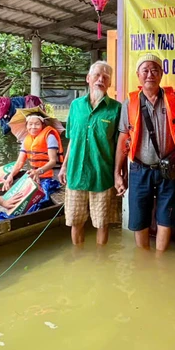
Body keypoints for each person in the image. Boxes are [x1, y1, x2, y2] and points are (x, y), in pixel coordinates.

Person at [114, 53, 175, 251]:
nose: (150, 75)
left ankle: (159, 260)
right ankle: (143, 259)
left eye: (154, 70)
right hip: (139, 168)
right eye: (145, 70)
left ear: (161, 74)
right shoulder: (129, 103)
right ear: (138, 75)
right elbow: (123, 138)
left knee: (166, 216)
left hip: (168, 169)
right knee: (139, 217)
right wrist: (118, 173)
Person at [58, 61, 122, 246]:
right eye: (96, 75)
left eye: (105, 77)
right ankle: (78, 256)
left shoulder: (116, 109)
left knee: (102, 223)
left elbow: (120, 146)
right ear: (88, 78)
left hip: (102, 176)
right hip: (76, 174)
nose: (100, 79)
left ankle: (101, 259)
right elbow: (72, 140)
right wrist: (64, 167)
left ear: (110, 83)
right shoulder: (76, 105)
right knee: (75, 221)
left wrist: (119, 174)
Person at [3, 112, 63, 197]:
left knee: (42, 193)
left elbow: (52, 161)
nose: (33, 127)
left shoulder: (50, 137)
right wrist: (11, 175)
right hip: (36, 174)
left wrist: (38, 171)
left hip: (51, 176)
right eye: (30, 124)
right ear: (26, 126)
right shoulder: (26, 139)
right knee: (9, 177)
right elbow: (20, 162)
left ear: (42, 125)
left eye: (37, 124)